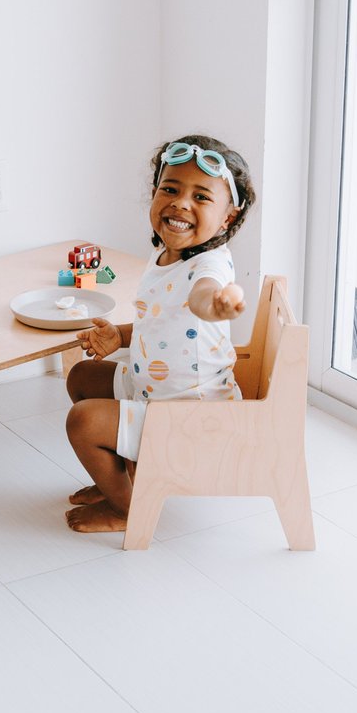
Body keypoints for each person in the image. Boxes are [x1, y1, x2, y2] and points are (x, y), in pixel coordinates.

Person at [63, 134, 257, 533]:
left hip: (192, 420)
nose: (181, 203)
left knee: (83, 422)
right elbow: (163, 322)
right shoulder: (166, 255)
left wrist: (216, 304)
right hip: (157, 393)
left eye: (201, 197)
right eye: (170, 189)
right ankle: (119, 480)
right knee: (81, 377)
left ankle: (128, 510)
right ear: (154, 194)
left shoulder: (209, 267)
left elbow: (202, 298)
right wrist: (120, 336)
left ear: (227, 218)